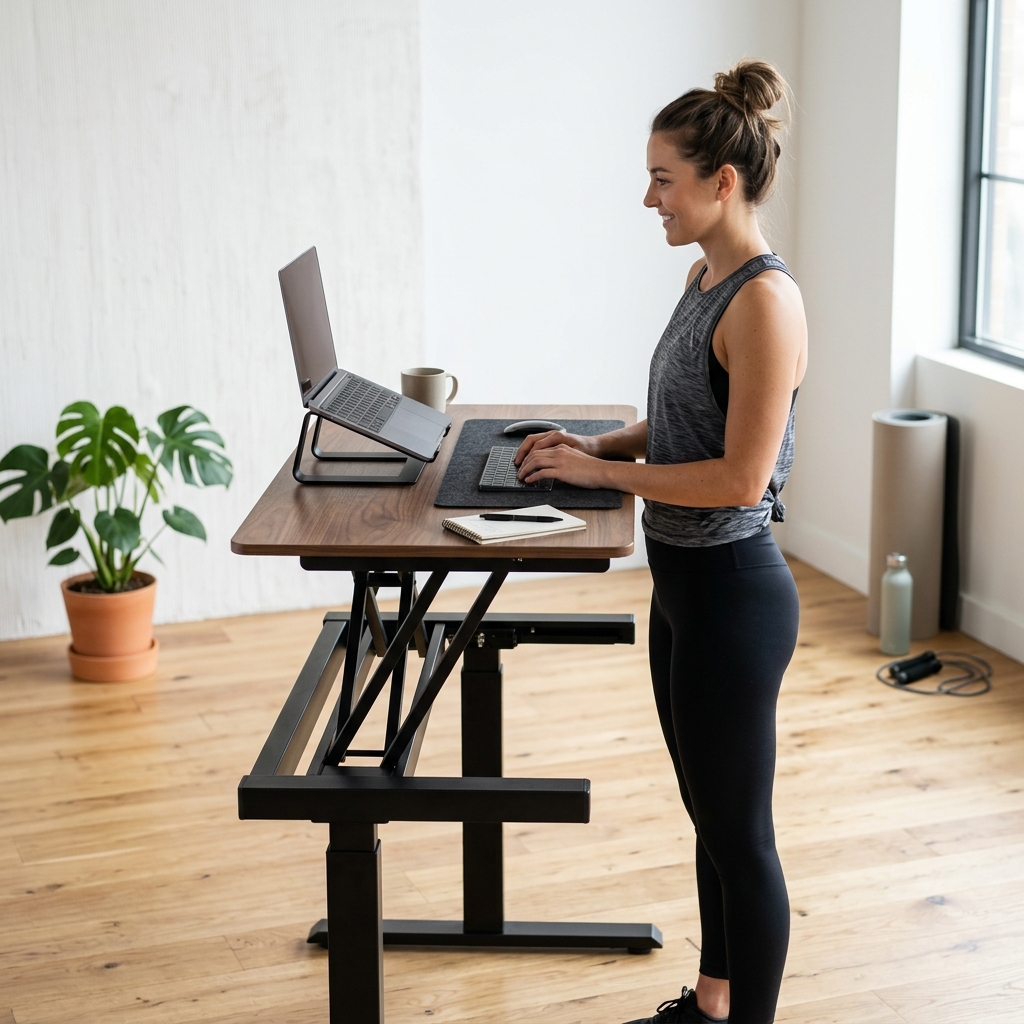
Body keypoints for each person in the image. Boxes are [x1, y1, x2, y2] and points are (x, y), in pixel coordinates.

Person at [515, 59, 806, 1024]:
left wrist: (599, 477)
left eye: (663, 179)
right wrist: (597, 443)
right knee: (709, 815)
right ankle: (713, 1006)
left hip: (732, 589)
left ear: (723, 183)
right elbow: (684, 420)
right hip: (682, 584)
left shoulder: (765, 303)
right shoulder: (704, 276)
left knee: (742, 834)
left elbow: (739, 477)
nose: (648, 198)